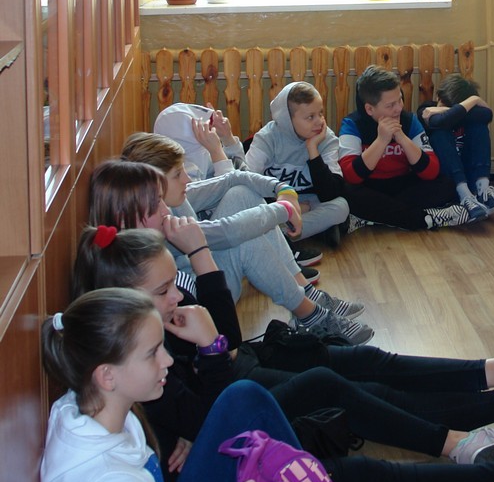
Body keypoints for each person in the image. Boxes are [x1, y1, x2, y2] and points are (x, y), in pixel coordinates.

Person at [70, 229, 494, 482]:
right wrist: (208, 365)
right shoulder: (137, 357)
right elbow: (212, 398)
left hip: (232, 420)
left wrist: (202, 388)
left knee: (359, 375)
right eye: (163, 290)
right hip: (229, 452)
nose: (174, 296)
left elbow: (212, 385)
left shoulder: (137, 348)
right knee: (347, 405)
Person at [39, 287, 278, 482]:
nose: (168, 361)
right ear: (107, 376)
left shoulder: (99, 407)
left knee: (245, 396)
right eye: (152, 353)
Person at [95, 154, 373, 346]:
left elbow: (233, 180)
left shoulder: (166, 205)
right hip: (203, 299)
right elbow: (228, 232)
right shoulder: (163, 225)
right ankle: (310, 315)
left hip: (205, 278)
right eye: (178, 174)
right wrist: (283, 210)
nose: (187, 179)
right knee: (245, 240)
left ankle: (306, 293)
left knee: (241, 195)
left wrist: (283, 189)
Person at [155, 104, 325, 271]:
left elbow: (242, 173)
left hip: (229, 232)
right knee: (243, 194)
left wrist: (228, 139)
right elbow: (229, 195)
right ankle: (286, 259)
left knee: (336, 208)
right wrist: (217, 151)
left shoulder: (197, 157)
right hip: (215, 249)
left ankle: (286, 258)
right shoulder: (178, 179)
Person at [338, 65, 479, 230]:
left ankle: (371, 217)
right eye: (390, 105)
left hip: (402, 184)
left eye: (400, 100)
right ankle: (424, 219)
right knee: (345, 191)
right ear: (369, 109)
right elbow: (351, 176)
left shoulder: (409, 120)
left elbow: (431, 171)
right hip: (370, 185)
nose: (399, 108)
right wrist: (381, 141)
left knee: (445, 185)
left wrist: (402, 138)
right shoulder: (352, 124)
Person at [245, 82, 352, 247]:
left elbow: (330, 193)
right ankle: (312, 230)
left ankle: (277, 235)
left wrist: (313, 149)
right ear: (288, 119)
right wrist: (286, 207)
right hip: (274, 200)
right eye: (310, 117)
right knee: (246, 202)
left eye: (321, 113)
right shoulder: (267, 138)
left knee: (341, 207)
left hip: (309, 200)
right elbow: (247, 181)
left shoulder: (326, 139)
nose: (319, 122)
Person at [416, 74, 494, 221]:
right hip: (445, 180)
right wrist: (467, 106)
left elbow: (487, 114)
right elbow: (440, 122)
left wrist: (472, 101)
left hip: (469, 174)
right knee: (439, 134)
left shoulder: (445, 111)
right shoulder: (425, 109)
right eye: (445, 105)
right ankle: (465, 197)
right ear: (438, 97)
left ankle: (483, 190)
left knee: (480, 127)